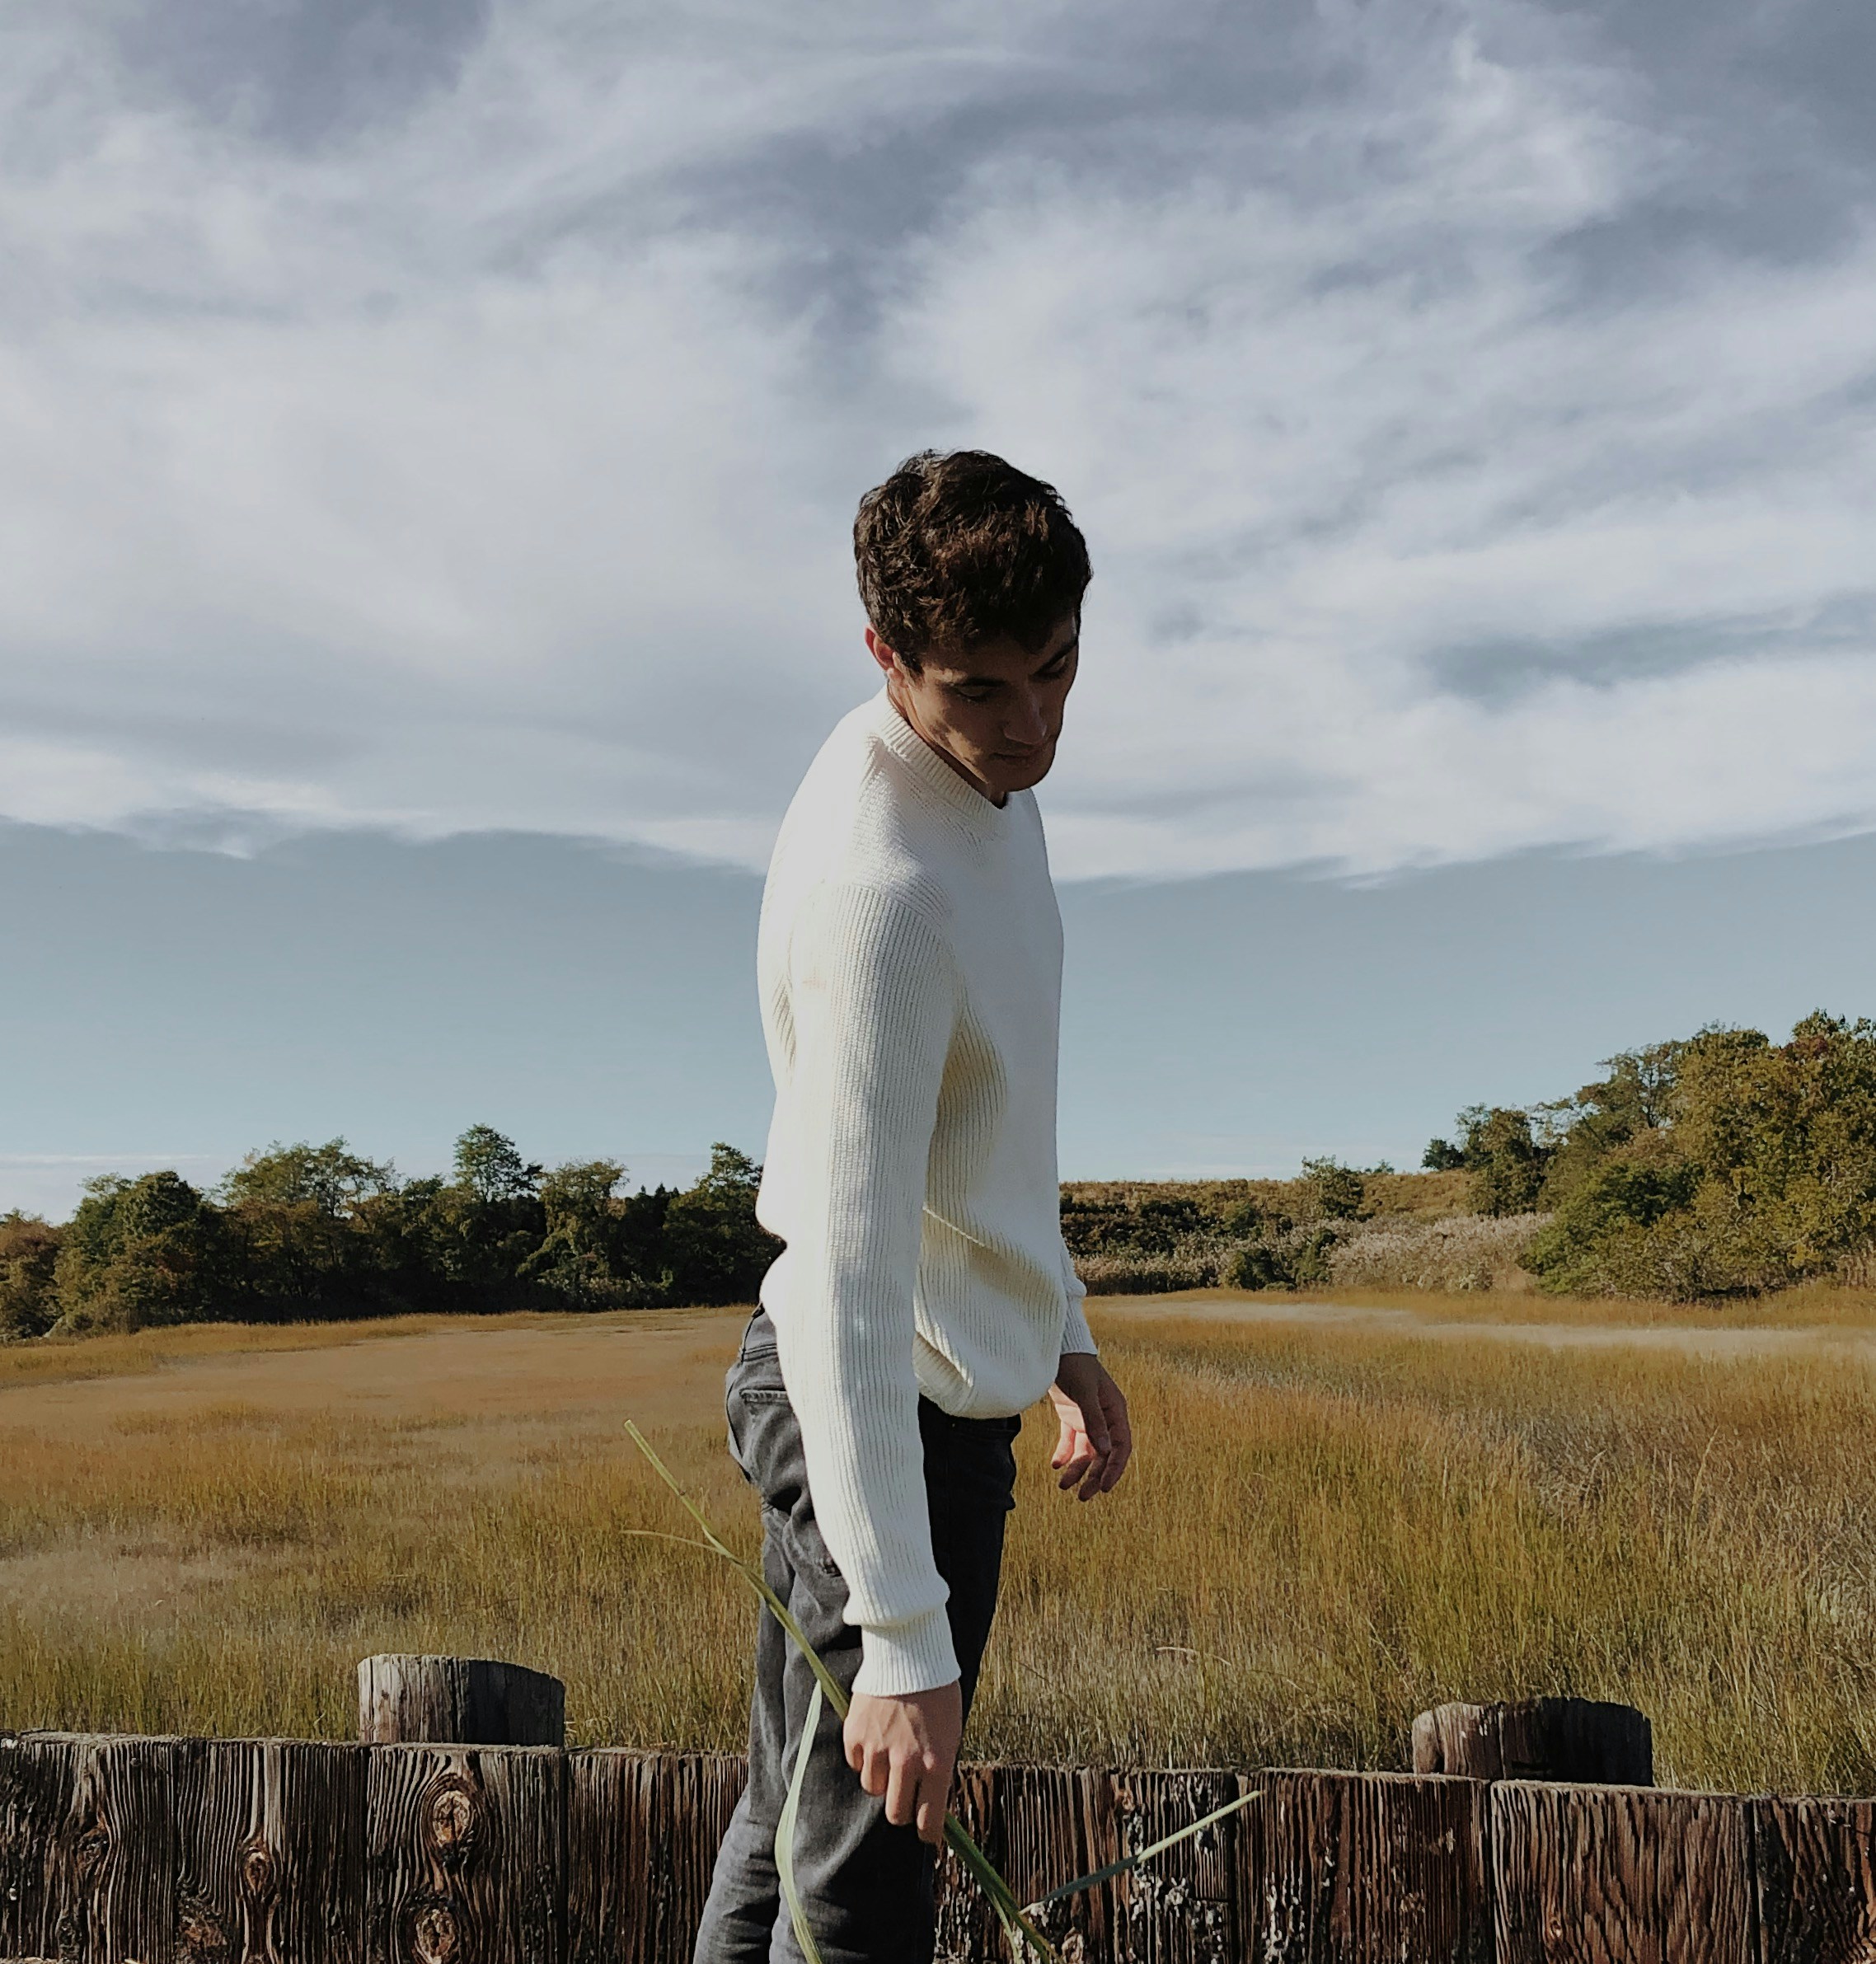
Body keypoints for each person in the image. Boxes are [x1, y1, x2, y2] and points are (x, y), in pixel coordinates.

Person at [692, 449, 1133, 1964]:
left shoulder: (982, 786)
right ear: (887, 657)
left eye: (1058, 672)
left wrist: (1061, 1331)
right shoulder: (883, 891)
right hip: (869, 1415)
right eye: (981, 691)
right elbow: (840, 1281)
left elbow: (988, 1134)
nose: (1032, 730)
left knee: (794, 1834)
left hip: (938, 1408)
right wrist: (897, 1632)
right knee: (865, 1890)